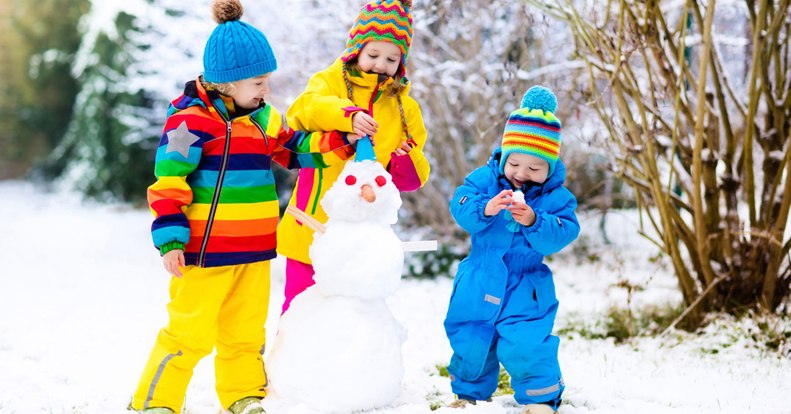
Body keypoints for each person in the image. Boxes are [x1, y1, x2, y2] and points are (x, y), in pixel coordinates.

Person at [128, 1, 360, 413]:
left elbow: (294, 150)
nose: (265, 89)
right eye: (258, 81)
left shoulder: (265, 120)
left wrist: (341, 142)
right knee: (189, 332)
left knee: (245, 332)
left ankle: (243, 394)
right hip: (204, 254)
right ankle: (156, 400)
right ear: (227, 83)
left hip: (254, 251)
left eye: (266, 80)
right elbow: (168, 182)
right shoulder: (189, 123)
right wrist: (171, 240)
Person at [277, 0, 430, 313]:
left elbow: (413, 179)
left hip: (362, 239)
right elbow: (302, 111)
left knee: (354, 313)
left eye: (391, 59)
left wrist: (405, 158)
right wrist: (347, 115)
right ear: (356, 48)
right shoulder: (329, 81)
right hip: (313, 225)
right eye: (373, 55)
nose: (380, 65)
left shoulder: (405, 109)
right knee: (300, 309)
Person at [443, 86, 580, 414]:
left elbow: (564, 232)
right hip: (479, 277)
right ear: (504, 156)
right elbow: (460, 204)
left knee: (526, 342)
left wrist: (534, 220)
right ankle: (468, 394)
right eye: (514, 163)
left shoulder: (556, 198)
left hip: (525, 284)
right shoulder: (484, 181)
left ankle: (541, 398)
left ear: (549, 167)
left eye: (534, 168)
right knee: (471, 336)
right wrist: (485, 208)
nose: (521, 174)